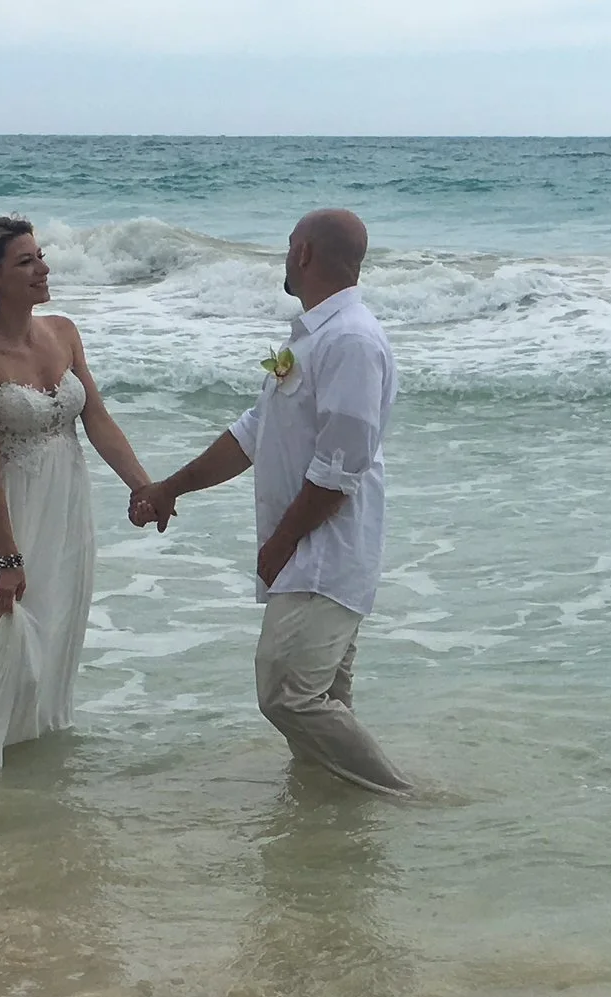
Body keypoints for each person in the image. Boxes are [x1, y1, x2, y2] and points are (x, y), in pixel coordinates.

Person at [129, 208, 413, 796]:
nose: (285, 256)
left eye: (289, 246)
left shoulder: (351, 340)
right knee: (325, 695)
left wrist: (282, 541)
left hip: (325, 553)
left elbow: (342, 466)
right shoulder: (312, 338)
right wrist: (168, 489)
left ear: (304, 253)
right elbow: (252, 434)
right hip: (306, 551)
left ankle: (400, 797)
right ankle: (329, 816)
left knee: (286, 692)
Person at [0, 215, 156, 769]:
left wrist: (145, 487)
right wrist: (8, 556)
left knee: (57, 638)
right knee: (14, 639)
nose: (42, 269)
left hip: (69, 507)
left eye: (40, 256)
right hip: (17, 512)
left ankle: (31, 765)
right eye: (25, 261)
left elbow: (97, 420)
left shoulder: (65, 332)